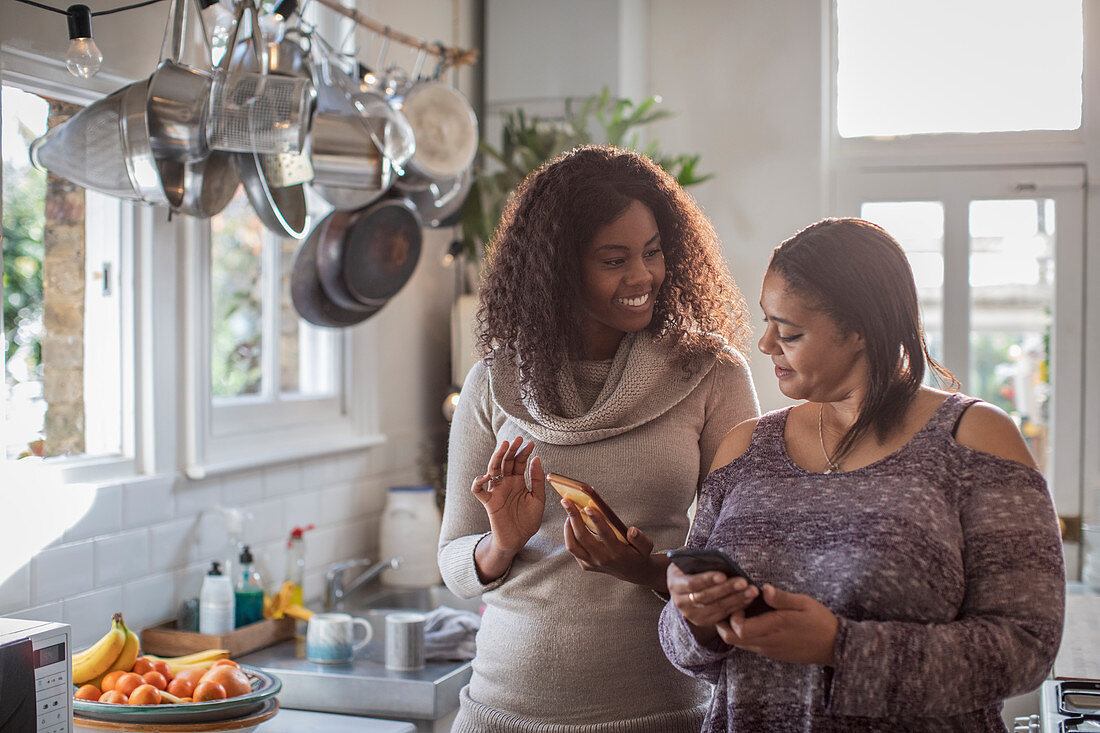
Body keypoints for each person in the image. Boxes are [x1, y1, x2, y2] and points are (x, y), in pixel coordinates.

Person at [659, 217, 1066, 732]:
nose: (765, 345)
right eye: (767, 323)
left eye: (789, 331)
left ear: (858, 330)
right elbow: (683, 651)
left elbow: (1027, 646)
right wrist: (693, 617)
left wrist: (840, 648)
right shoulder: (745, 448)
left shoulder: (976, 441)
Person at [438, 145, 760, 732]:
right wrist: (501, 543)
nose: (643, 276)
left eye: (654, 252)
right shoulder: (493, 380)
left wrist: (643, 568)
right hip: (498, 713)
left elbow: (742, 565)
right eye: (614, 259)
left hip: (662, 711)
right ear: (559, 269)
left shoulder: (711, 373)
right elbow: (455, 563)